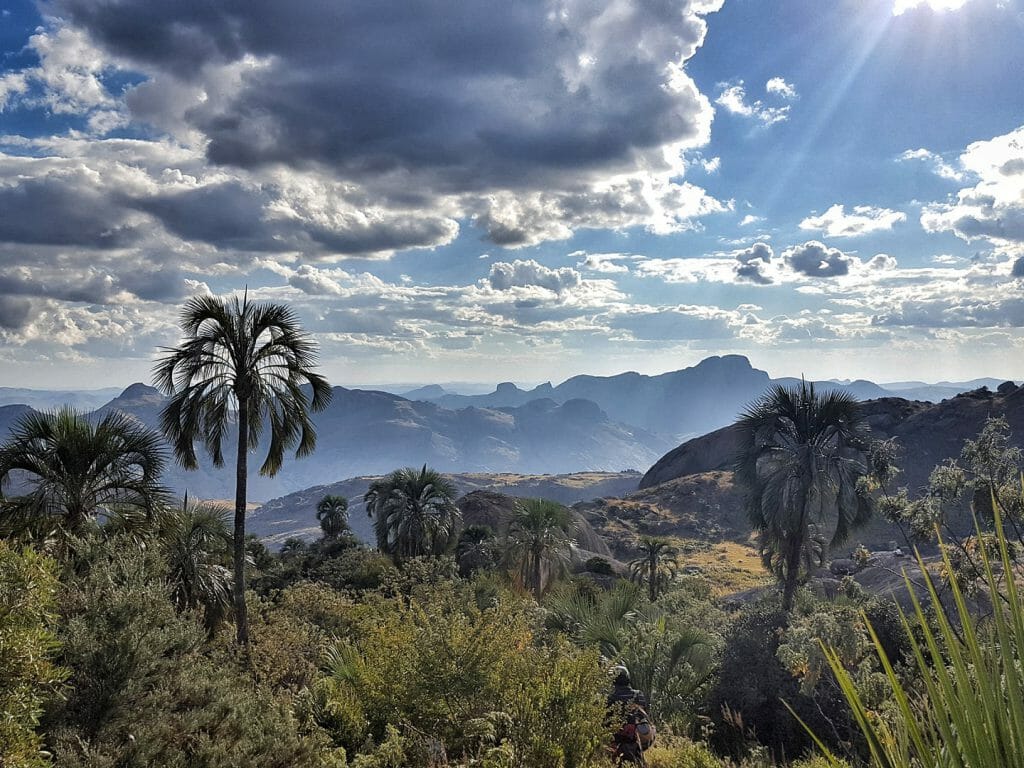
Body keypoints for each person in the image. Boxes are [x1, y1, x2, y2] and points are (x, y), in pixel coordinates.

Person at [606, 666, 652, 765]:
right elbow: (644, 714)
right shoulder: (638, 694)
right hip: (641, 736)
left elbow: (605, 719)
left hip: (618, 737)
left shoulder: (611, 697)